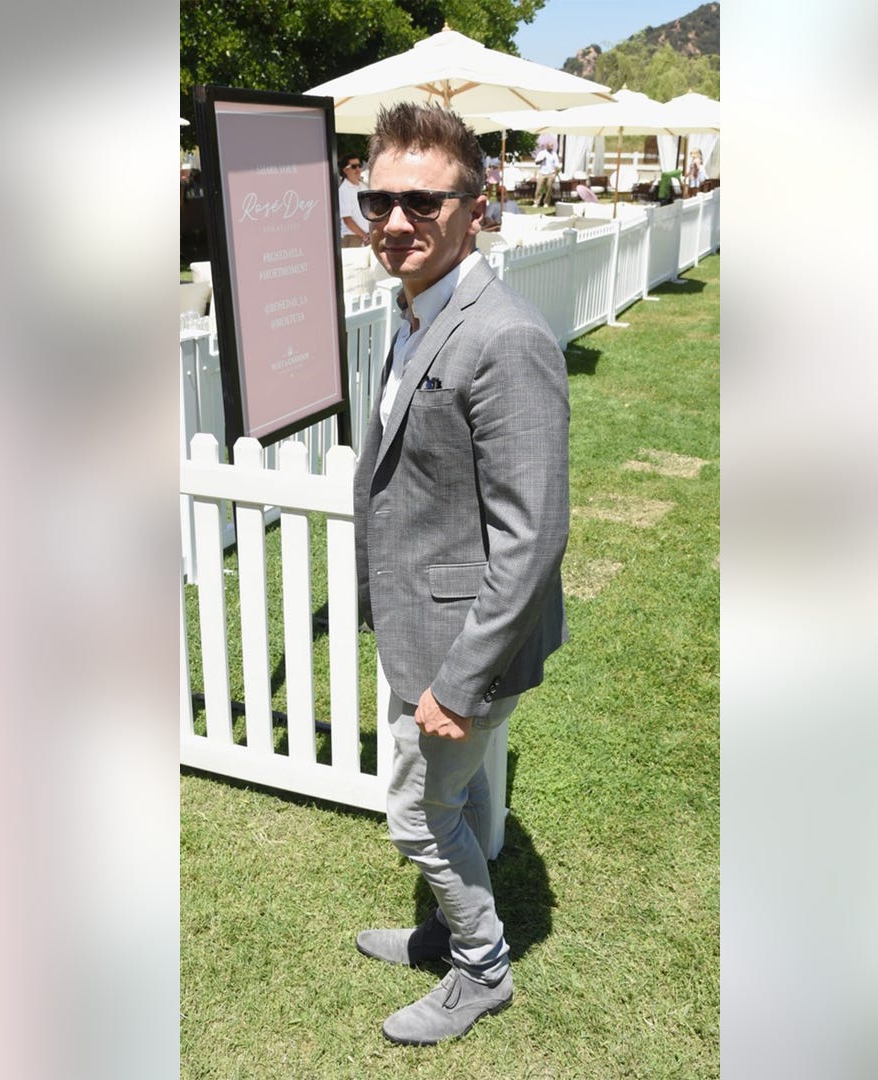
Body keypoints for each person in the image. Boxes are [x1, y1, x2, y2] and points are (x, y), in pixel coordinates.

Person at [351, 101, 569, 1046]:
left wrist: (460, 681)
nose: (396, 221)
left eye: (422, 202)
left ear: (475, 209)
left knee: (417, 813)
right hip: (425, 620)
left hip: (463, 642)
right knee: (465, 795)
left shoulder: (504, 337)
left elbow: (532, 535)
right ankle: (447, 930)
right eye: (379, 200)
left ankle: (481, 968)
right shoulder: (415, 309)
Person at [338, 154, 371, 247]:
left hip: (368, 237)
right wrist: (365, 236)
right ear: (345, 170)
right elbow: (347, 220)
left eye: (359, 166)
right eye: (353, 166)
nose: (358, 169)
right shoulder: (343, 190)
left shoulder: (363, 186)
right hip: (353, 238)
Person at [531, 142, 558, 207]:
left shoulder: (554, 154)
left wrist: (555, 174)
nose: (552, 148)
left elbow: (556, 165)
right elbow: (536, 162)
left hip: (550, 173)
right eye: (550, 146)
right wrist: (542, 159)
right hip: (542, 173)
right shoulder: (542, 153)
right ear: (547, 146)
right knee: (539, 188)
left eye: (552, 146)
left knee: (549, 189)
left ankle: (546, 203)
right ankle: (536, 202)